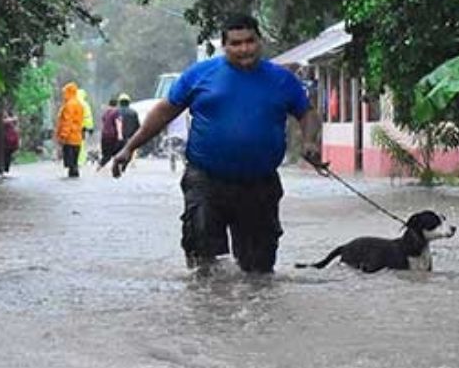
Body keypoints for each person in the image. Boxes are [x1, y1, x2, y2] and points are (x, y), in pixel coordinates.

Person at [110, 14, 323, 273]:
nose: (244, 49)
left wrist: (310, 142)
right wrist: (129, 148)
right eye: (236, 43)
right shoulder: (199, 75)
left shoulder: (282, 80)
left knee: (258, 271)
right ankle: (210, 301)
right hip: (206, 180)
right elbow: (164, 112)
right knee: (205, 263)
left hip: (259, 183)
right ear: (224, 46)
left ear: (260, 41)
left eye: (250, 41)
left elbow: (307, 113)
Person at [55, 81, 85, 178]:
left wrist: (63, 135)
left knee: (70, 160)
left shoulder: (69, 105)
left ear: (69, 92)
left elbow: (67, 121)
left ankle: (73, 173)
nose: (63, 95)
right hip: (77, 137)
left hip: (69, 137)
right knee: (74, 160)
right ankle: (74, 172)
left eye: (65, 92)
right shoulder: (79, 104)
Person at [97, 96, 121, 168]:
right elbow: (118, 123)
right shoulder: (116, 112)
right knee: (116, 153)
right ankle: (117, 168)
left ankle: (98, 167)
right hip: (112, 136)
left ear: (109, 104)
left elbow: (104, 122)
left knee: (106, 155)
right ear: (116, 105)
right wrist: (120, 135)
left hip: (104, 136)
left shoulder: (105, 113)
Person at [77, 87, 94, 165]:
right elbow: (88, 117)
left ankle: (73, 160)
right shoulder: (85, 104)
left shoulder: (71, 102)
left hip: (72, 127)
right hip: (82, 127)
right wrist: (90, 128)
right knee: (81, 143)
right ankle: (81, 160)